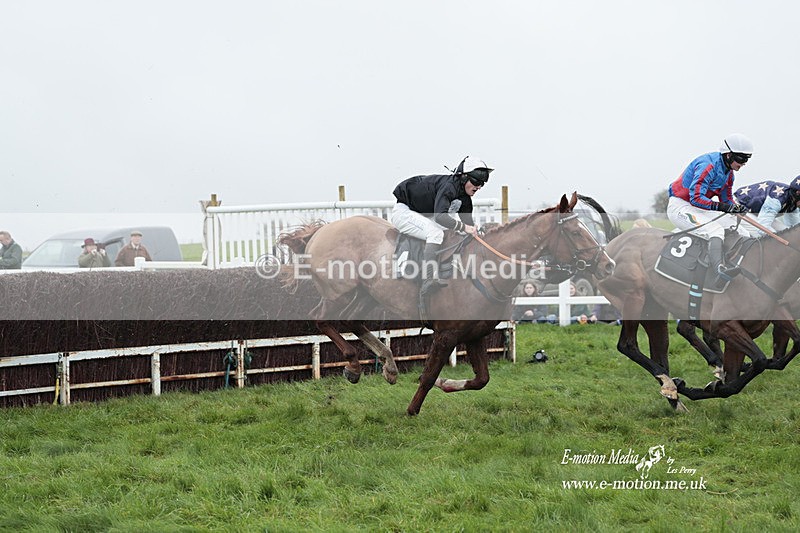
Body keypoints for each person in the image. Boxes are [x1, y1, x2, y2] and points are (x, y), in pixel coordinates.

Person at [391, 155, 492, 298]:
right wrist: (464, 228)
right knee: (435, 233)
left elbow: (468, 224)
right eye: (476, 181)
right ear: (463, 177)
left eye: (482, 183)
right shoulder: (449, 187)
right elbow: (440, 217)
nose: (479, 186)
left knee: (450, 232)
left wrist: (474, 231)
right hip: (404, 212)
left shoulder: (465, 197)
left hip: (423, 214)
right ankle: (428, 279)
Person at [667, 133, 753, 288]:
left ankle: (743, 265)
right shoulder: (708, 165)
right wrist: (723, 207)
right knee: (715, 230)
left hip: (700, 208)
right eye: (741, 159)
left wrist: (737, 208)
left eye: (747, 159)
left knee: (742, 231)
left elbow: (726, 200)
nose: (744, 163)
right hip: (681, 206)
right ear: (728, 155)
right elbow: (696, 198)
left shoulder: (729, 174)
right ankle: (719, 270)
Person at [734, 177, 800, 236]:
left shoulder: (793, 202)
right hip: (739, 209)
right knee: (769, 238)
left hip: (759, 213)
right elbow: (763, 228)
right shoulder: (776, 200)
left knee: (786, 232)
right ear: (798, 193)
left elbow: (794, 229)